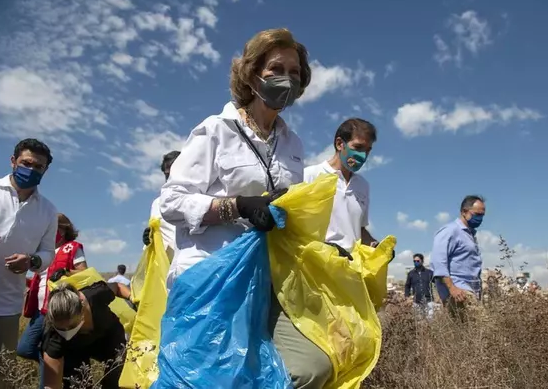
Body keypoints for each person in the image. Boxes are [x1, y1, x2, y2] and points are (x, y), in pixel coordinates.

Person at [159, 28, 330, 388]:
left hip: (265, 278)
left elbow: (289, 211)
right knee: (211, 379)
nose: (287, 78)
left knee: (311, 367)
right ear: (252, 75)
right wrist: (235, 206)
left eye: (295, 72)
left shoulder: (293, 144)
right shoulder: (216, 130)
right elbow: (171, 202)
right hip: (210, 276)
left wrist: (320, 245)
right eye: (276, 68)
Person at [0, 138, 58, 389]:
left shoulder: (48, 211)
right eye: (26, 163)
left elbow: (48, 253)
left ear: (45, 170)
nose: (31, 169)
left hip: (6, 304)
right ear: (13, 161)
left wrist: (32, 260)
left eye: (38, 166)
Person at [17, 214, 88, 387]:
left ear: (63, 230)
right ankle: (56, 366)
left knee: (50, 351)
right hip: (39, 311)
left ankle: (50, 379)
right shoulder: (42, 254)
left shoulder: (72, 248)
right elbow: (39, 280)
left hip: (57, 311)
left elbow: (85, 274)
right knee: (24, 348)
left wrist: (66, 272)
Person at [303, 118, 378, 250]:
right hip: (317, 265)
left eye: (367, 150)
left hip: (351, 266)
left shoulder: (363, 186)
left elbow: (358, 229)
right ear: (339, 144)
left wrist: (374, 245)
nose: (363, 155)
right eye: (358, 147)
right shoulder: (310, 176)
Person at [42, 282, 126, 389]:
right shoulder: (53, 335)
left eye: (72, 326)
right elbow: (52, 385)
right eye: (61, 329)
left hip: (109, 337)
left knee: (116, 375)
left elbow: (117, 287)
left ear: (81, 310)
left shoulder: (95, 296)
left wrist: (134, 298)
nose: (66, 332)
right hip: (74, 349)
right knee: (77, 384)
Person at [430, 195, 486, 321]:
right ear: (464, 212)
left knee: (466, 333)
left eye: (482, 215)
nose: (480, 218)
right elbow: (438, 262)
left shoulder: (470, 234)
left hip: (470, 290)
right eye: (477, 214)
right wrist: (452, 288)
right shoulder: (450, 231)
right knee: (483, 326)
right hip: (459, 291)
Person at [142, 151, 181, 260]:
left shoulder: (200, 197)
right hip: (167, 267)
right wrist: (149, 239)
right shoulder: (157, 204)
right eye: (167, 175)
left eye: (174, 173)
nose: (170, 179)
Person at [404, 253, 435, 319]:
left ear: (422, 261)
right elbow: (407, 286)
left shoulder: (429, 273)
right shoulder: (410, 274)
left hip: (429, 301)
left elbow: (437, 282)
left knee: (430, 320)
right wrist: (407, 297)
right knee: (419, 321)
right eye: (414, 261)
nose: (416, 262)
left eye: (418, 261)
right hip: (416, 302)